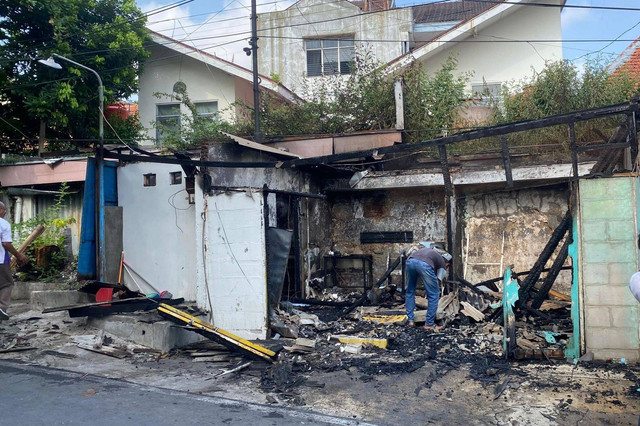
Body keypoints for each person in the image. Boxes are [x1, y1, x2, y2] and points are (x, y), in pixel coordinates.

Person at [405, 246, 451, 331]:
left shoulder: (430, 252)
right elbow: (438, 282)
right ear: (447, 263)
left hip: (410, 261)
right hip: (424, 264)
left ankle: (410, 321)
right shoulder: (442, 265)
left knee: (410, 291)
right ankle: (429, 324)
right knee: (434, 294)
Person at [0, 201, 28, 320]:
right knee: (7, 284)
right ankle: (1, 308)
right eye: (3, 209)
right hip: (0, 261)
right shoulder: (3, 224)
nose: (5, 211)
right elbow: (6, 243)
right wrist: (18, 255)